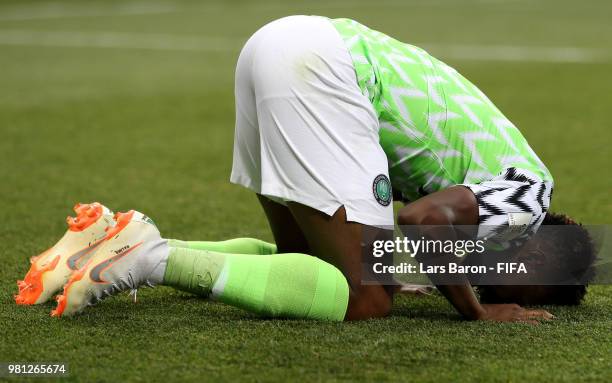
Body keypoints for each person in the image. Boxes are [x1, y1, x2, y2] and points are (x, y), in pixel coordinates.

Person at [16, 16, 593, 322]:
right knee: (366, 300)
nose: (507, 279)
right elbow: (422, 219)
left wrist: (425, 275)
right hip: (324, 72)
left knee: (315, 265)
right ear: (545, 243)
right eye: (529, 277)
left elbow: (418, 232)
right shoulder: (531, 196)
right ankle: (154, 261)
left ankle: (114, 242)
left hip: (285, 44)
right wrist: (477, 309)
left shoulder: (508, 172)